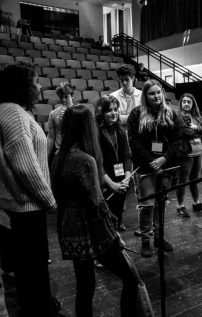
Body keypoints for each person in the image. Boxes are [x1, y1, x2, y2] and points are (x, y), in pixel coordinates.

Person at [52, 105, 140, 317]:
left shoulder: (59, 157)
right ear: (88, 127)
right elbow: (96, 206)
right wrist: (114, 235)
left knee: (85, 287)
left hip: (69, 228)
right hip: (90, 229)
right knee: (130, 278)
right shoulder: (85, 159)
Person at [0, 63, 58, 316]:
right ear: (21, 85)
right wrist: (48, 199)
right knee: (33, 269)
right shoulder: (12, 112)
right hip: (26, 206)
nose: (40, 86)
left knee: (28, 269)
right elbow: (25, 164)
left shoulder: (13, 111)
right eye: (35, 82)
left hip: (22, 205)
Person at [128, 79, 193, 257]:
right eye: (152, 93)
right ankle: (146, 241)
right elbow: (134, 142)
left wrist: (163, 159)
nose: (156, 96)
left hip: (166, 165)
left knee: (161, 204)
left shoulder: (171, 113)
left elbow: (178, 139)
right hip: (145, 167)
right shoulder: (136, 114)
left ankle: (159, 237)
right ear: (145, 96)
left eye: (158, 92)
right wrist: (152, 162)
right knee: (147, 205)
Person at [95, 95, 132, 231]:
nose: (114, 113)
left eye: (116, 109)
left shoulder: (121, 130)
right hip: (104, 180)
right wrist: (111, 184)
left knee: (116, 216)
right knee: (105, 222)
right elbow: (98, 163)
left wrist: (127, 177)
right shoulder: (96, 132)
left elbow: (127, 156)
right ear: (101, 112)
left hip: (120, 178)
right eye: (109, 110)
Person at [175, 93, 202, 217]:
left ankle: (196, 203)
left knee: (195, 179)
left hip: (198, 151)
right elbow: (187, 132)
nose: (186, 104)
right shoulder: (178, 116)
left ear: (192, 104)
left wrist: (197, 128)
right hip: (186, 153)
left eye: (188, 102)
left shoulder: (196, 116)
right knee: (183, 180)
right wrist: (198, 130)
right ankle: (180, 205)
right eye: (184, 101)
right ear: (180, 103)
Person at [47, 82, 76, 158]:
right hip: (59, 154)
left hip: (76, 154)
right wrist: (45, 158)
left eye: (66, 97)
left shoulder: (80, 113)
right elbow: (51, 137)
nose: (63, 100)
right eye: (61, 97)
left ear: (72, 96)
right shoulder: (53, 114)